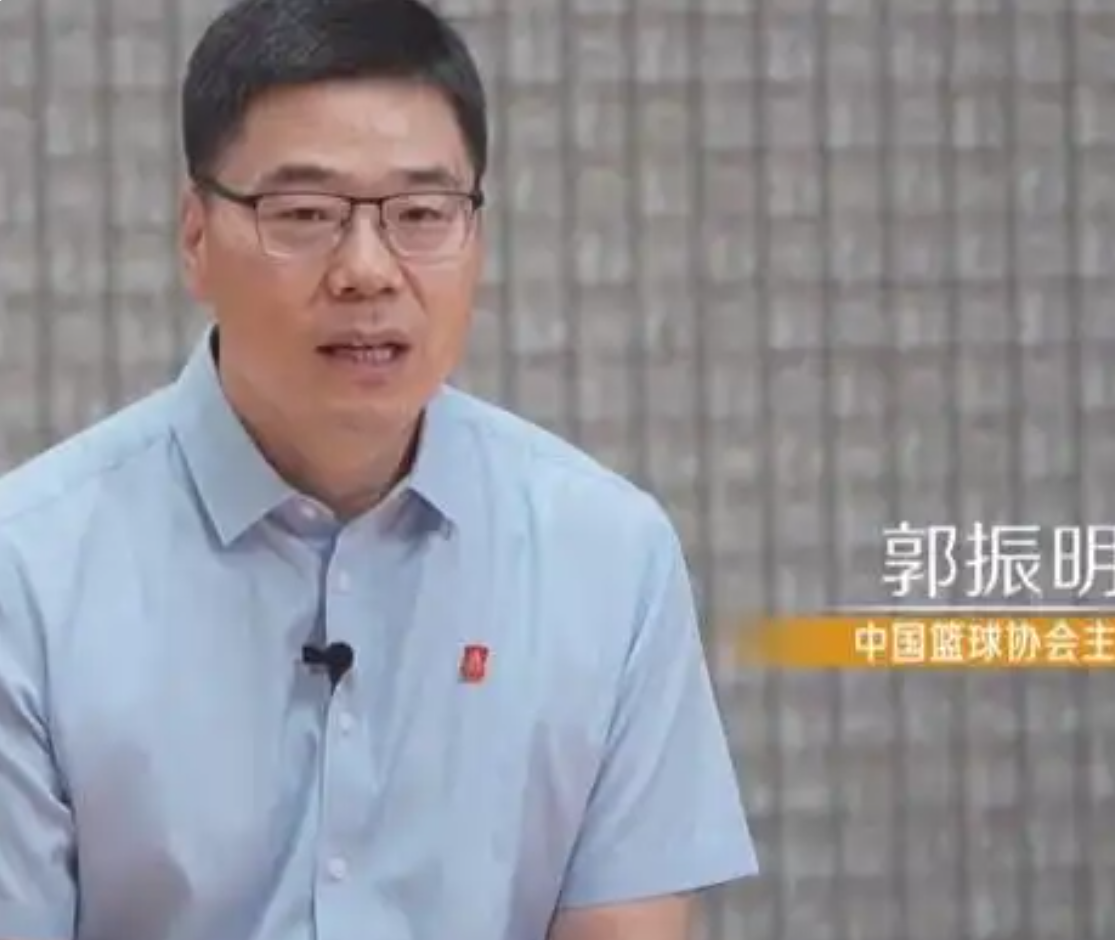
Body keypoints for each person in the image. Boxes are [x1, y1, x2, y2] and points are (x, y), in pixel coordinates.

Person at [0, 0, 758, 937]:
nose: (367, 269)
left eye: (421, 214)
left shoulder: (609, 560)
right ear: (195, 238)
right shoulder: (28, 577)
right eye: (305, 214)